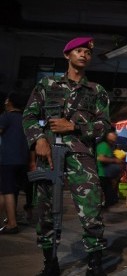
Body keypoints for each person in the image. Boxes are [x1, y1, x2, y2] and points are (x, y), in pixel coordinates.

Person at [22, 36, 111, 275]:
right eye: (78, 50)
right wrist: (38, 139)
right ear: (67, 55)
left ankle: (95, 262)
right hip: (48, 154)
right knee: (45, 210)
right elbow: (29, 116)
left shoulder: (96, 91)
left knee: (91, 211)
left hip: (81, 157)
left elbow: (104, 125)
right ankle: (50, 262)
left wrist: (75, 127)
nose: (84, 54)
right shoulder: (46, 85)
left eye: (87, 52)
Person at [0, 92, 29, 234]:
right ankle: (9, 219)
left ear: (10, 102)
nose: (5, 102)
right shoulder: (26, 118)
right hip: (23, 160)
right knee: (6, 190)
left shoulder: (6, 117)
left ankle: (12, 224)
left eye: (7, 99)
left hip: (7, 160)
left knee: (8, 191)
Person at [96, 130, 123, 207]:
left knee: (109, 197)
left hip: (104, 174)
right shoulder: (104, 145)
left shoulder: (107, 145)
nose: (115, 136)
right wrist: (115, 160)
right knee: (110, 197)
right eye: (113, 134)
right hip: (102, 174)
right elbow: (100, 158)